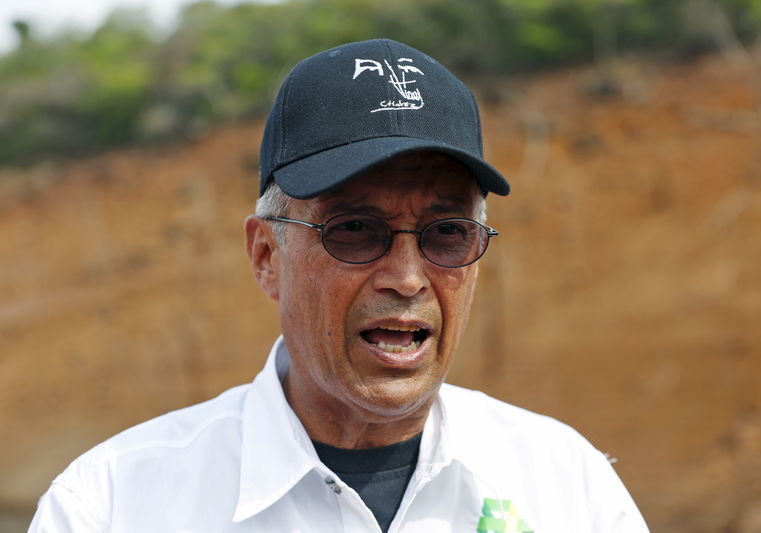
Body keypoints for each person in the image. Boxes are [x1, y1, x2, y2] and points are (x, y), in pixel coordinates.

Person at [29, 38, 649, 532]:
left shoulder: (568, 486)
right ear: (267, 255)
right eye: (354, 229)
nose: (407, 277)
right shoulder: (112, 506)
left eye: (447, 232)